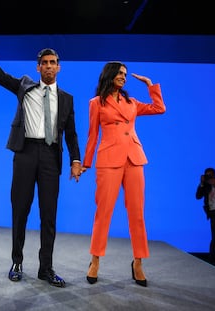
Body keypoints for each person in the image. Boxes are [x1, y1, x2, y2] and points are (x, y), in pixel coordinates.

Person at [0, 18, 82, 288]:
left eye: (52, 63)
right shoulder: (24, 87)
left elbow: (71, 133)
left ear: (59, 68)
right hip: (25, 154)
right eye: (43, 63)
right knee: (20, 210)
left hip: (50, 157)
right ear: (38, 68)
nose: (48, 67)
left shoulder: (66, 98)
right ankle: (17, 262)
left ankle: (46, 268)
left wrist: (76, 160)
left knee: (49, 215)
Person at [81, 61, 166, 287]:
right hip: (109, 160)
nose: (123, 77)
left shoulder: (131, 102)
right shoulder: (96, 103)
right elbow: (92, 135)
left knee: (137, 214)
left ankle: (138, 262)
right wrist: (86, 163)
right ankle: (95, 261)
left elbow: (159, 108)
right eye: (119, 73)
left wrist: (151, 85)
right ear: (109, 75)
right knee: (104, 213)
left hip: (135, 159)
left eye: (125, 74)